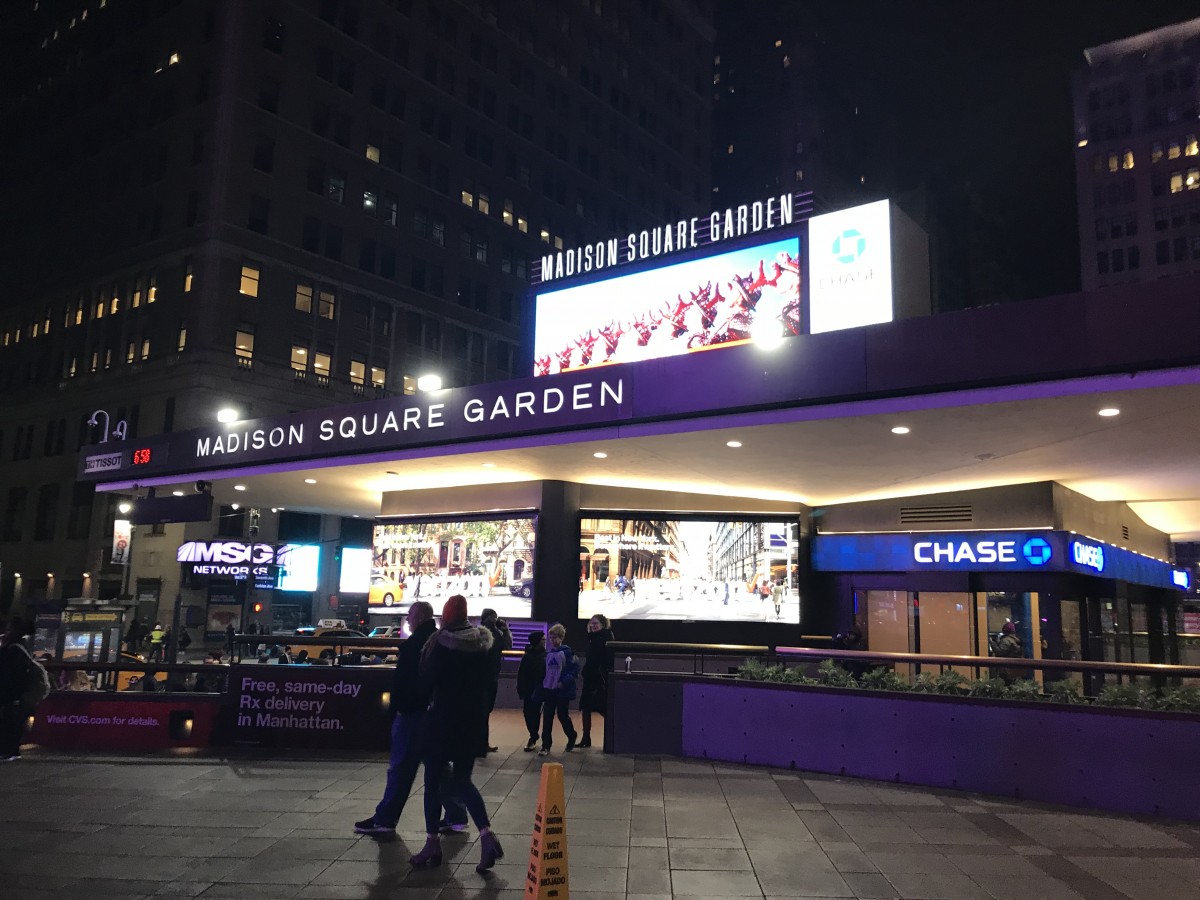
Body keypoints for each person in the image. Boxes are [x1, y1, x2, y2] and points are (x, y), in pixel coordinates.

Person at [411, 595, 504, 872]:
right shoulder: (482, 644)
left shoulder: (440, 642)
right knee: (463, 780)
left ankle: (431, 843)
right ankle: (487, 836)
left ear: (447, 615)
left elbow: (427, 681)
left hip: (442, 721)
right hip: (471, 722)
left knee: (432, 781)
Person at [355, 601, 439, 835]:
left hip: (412, 712)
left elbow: (406, 682)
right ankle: (456, 814)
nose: (408, 619)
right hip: (428, 712)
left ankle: (385, 819)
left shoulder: (416, 645)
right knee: (437, 767)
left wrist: (398, 707)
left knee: (401, 767)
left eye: (410, 615)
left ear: (420, 616)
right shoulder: (434, 639)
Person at [538, 623, 578, 757]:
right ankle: (545, 745)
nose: (552, 641)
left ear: (561, 638)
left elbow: (574, 671)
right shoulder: (549, 654)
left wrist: (563, 682)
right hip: (549, 689)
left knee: (562, 715)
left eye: (555, 638)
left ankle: (571, 735)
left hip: (562, 691)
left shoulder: (567, 652)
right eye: (551, 638)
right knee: (547, 717)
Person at [479, 608, 512, 755]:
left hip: (493, 677)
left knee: (487, 711)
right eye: (490, 617)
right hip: (481, 679)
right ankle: (479, 744)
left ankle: (482, 743)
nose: (493, 620)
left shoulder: (498, 633)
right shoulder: (479, 633)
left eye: (495, 617)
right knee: (482, 712)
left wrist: (505, 630)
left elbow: (508, 645)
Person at [1, 619, 33, 760]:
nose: (6, 633)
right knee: (12, 723)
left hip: (11, 695)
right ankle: (11, 750)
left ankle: (8, 751)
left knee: (9, 723)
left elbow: (9, 675)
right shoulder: (22, 647)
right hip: (16, 695)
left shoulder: (14, 649)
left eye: (9, 629)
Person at [579, 615, 613, 749]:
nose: (593, 625)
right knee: (586, 708)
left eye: (596, 623)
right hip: (591, 678)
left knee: (603, 707)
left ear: (603, 624)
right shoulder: (593, 639)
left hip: (598, 679)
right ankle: (586, 737)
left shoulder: (604, 638)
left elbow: (603, 659)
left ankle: (611, 738)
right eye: (591, 623)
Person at [516, 631, 546, 752]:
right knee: (528, 713)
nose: (545, 641)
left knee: (536, 714)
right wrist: (521, 689)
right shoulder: (527, 656)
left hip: (540, 689)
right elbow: (521, 674)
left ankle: (533, 737)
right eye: (543, 639)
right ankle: (533, 734)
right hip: (529, 689)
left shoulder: (545, 655)